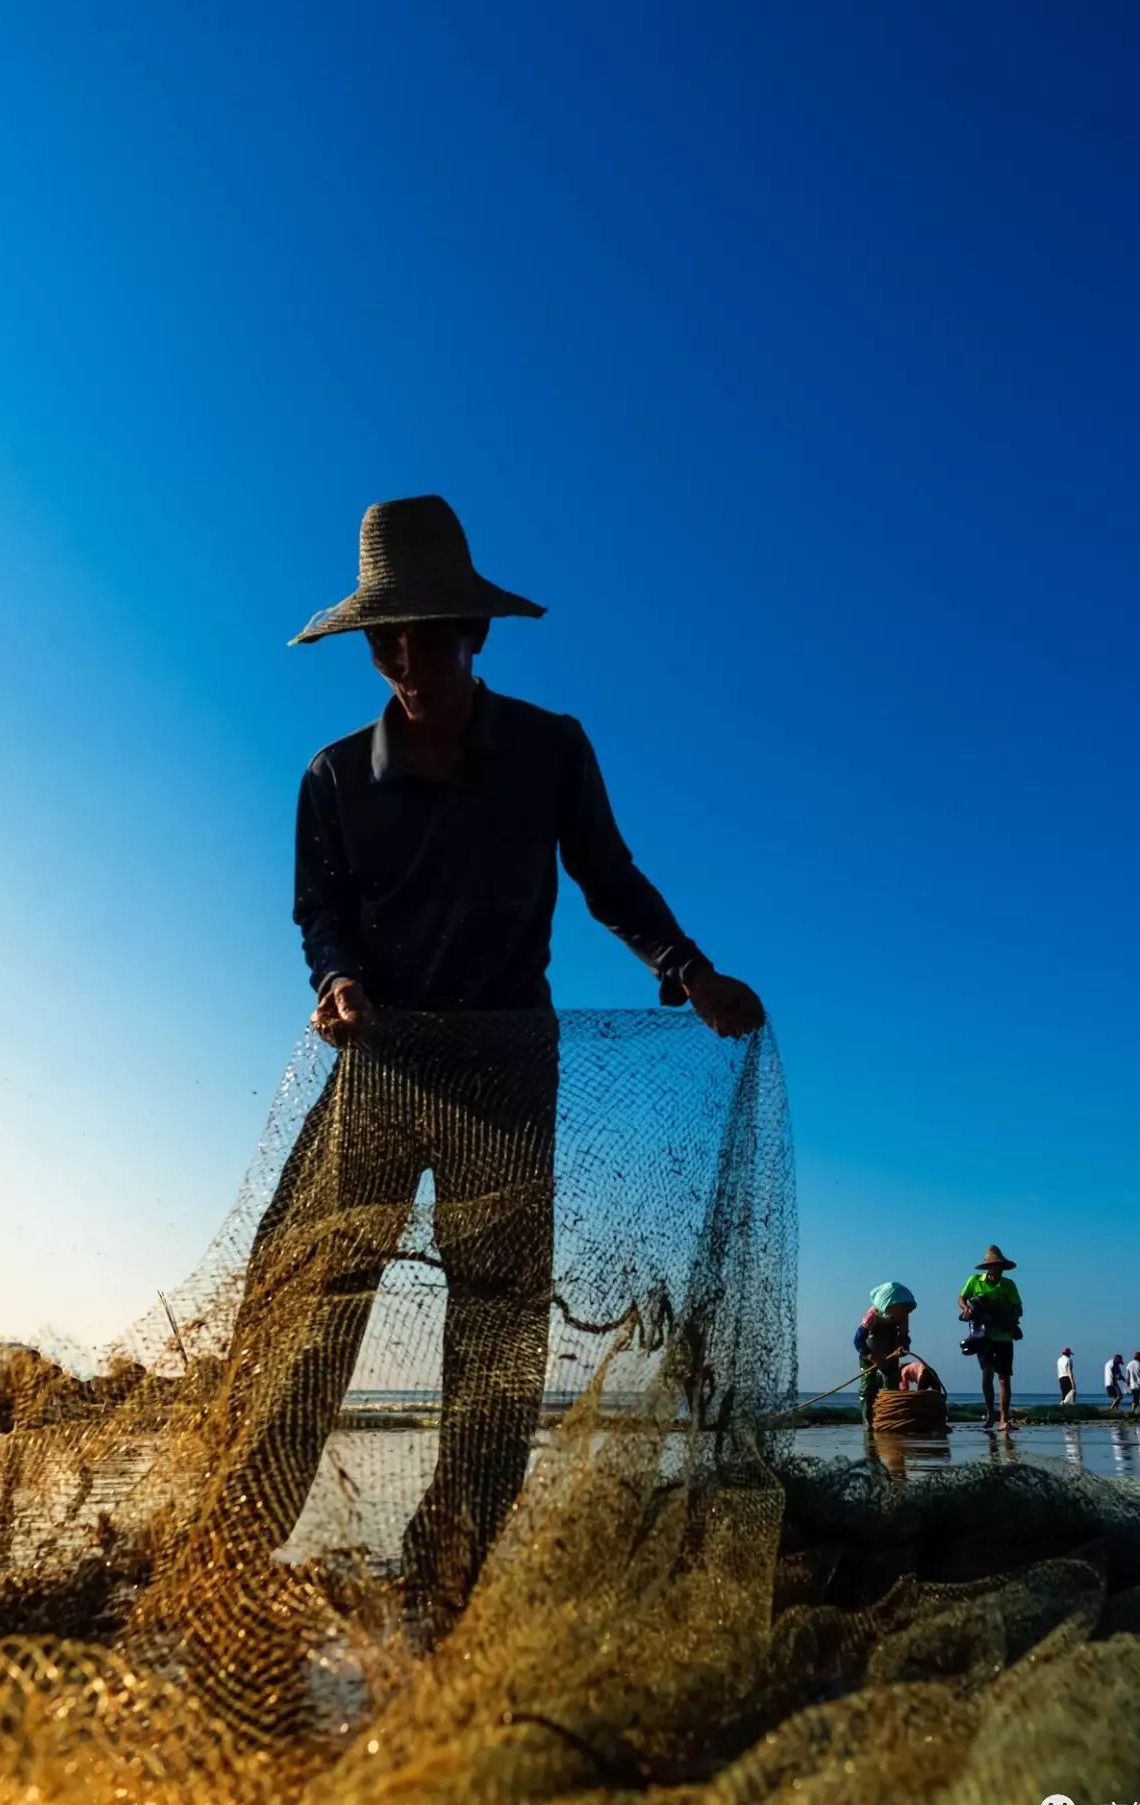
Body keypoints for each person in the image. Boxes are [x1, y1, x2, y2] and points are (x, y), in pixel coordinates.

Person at [214, 495, 765, 1627]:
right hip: (379, 1070)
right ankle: (237, 1549)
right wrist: (335, 984)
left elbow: (609, 879)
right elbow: (320, 917)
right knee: (316, 1313)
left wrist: (686, 969)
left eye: (428, 630)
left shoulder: (551, 751)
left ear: (477, 632)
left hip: (509, 1075)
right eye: (386, 636)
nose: (406, 656)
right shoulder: (329, 777)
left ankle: (448, 1568)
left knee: (497, 1333)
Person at [957, 1245, 1022, 1433]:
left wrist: (1006, 1313)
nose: (998, 1269)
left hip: (1003, 1336)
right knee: (987, 1374)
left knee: (1004, 1377)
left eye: (1000, 1266)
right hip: (982, 1336)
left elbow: (1018, 1307)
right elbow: (961, 1297)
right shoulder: (975, 1281)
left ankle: (1004, 1418)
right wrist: (965, 1308)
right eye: (995, 1266)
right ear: (988, 1267)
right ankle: (989, 1414)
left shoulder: (1009, 1285)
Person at [853, 1282, 916, 1422]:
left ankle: (888, 1417)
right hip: (870, 1354)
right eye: (901, 1307)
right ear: (889, 1304)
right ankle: (868, 1419)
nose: (905, 1311)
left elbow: (904, 1337)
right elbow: (858, 1340)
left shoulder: (902, 1316)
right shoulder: (872, 1315)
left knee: (892, 1386)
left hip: (890, 1353)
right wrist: (871, 1356)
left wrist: (903, 1346)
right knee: (867, 1387)